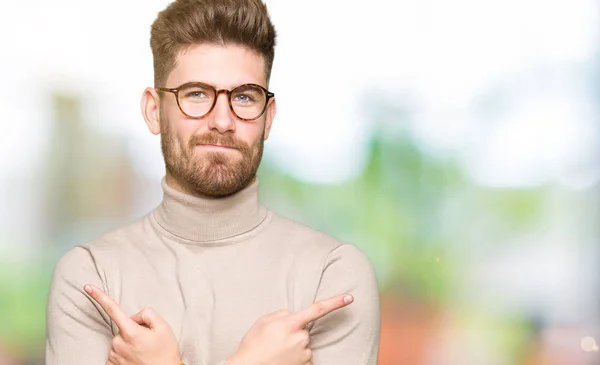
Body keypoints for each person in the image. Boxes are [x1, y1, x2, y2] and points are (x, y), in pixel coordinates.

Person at [45, 0, 381, 364]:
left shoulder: (332, 275)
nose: (222, 121)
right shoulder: (91, 275)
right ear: (154, 111)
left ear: (267, 118)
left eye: (244, 97)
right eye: (197, 94)